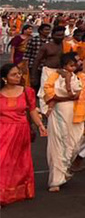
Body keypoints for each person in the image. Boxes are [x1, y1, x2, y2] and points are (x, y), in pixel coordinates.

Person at [43, 53, 85, 192]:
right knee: (58, 144)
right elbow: (48, 92)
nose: (77, 64)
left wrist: (75, 95)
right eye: (74, 63)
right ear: (64, 65)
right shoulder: (54, 77)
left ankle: (65, 170)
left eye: (77, 63)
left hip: (76, 113)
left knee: (75, 144)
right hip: (59, 112)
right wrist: (64, 97)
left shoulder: (82, 77)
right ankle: (55, 180)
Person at [0, 62, 46, 205]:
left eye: (19, 73)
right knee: (2, 162)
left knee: (19, 162)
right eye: (14, 74)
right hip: (3, 131)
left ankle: (17, 191)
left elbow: (32, 110)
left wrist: (40, 125)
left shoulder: (27, 91)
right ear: (4, 78)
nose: (18, 76)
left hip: (21, 132)